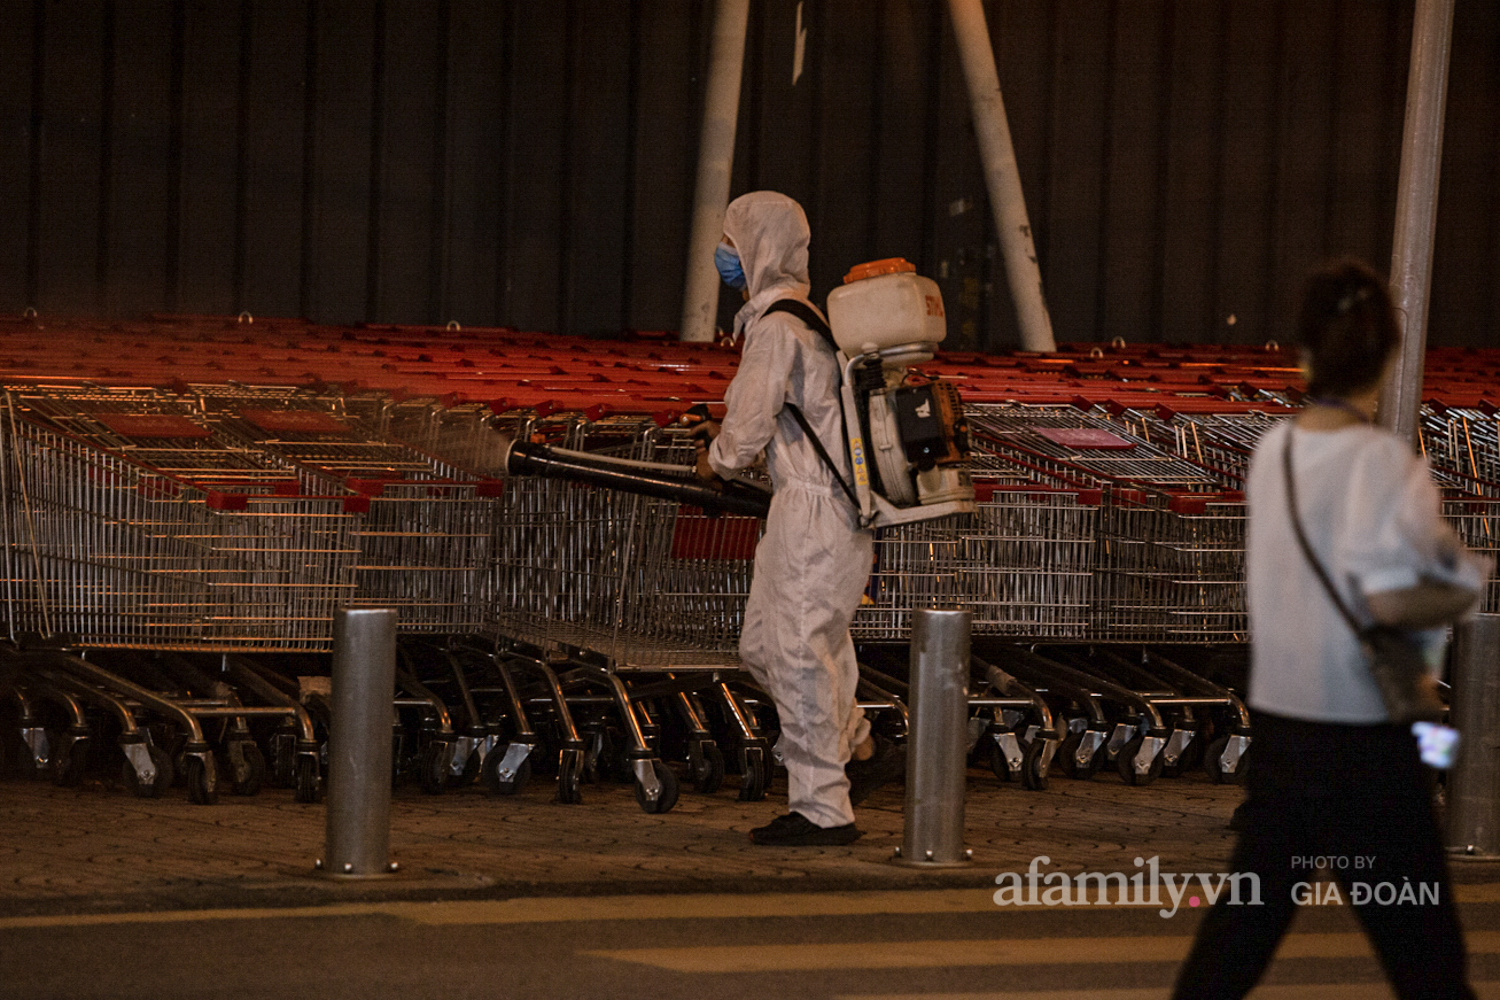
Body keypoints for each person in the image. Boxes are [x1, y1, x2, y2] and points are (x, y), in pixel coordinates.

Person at [1171, 259, 1489, 999]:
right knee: (1427, 958)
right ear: (1388, 354)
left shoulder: (1274, 452)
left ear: (1305, 351)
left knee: (1234, 945)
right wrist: (1463, 581)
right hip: (1365, 740)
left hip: (1283, 732)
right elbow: (1385, 603)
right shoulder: (1383, 461)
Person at [691, 190, 904, 846]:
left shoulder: (777, 327)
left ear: (755, 248)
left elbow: (750, 424)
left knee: (798, 653)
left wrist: (717, 459)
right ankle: (856, 745)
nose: (725, 258)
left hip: (815, 516)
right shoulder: (802, 318)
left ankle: (822, 808)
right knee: (771, 646)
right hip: (821, 513)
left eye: (731, 242)